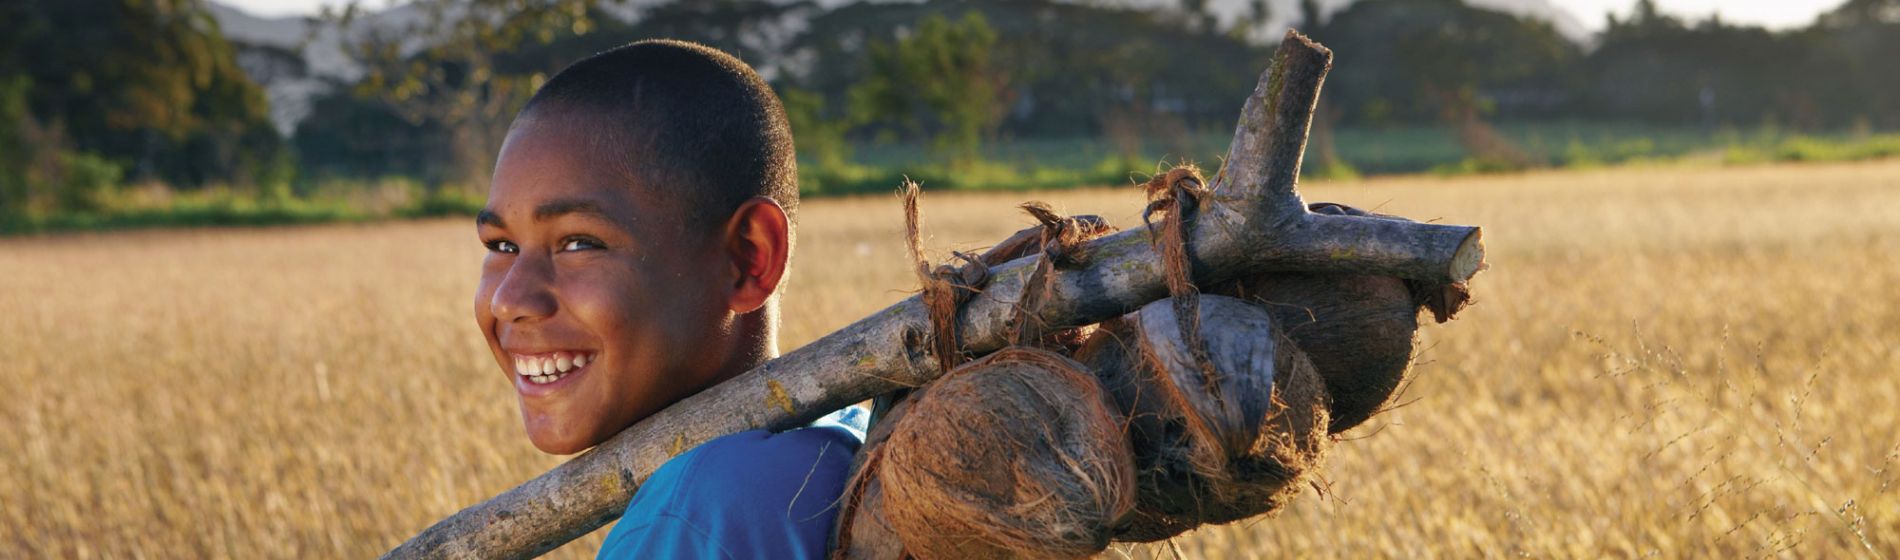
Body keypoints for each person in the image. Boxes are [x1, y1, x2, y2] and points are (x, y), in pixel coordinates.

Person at [472, 39, 864, 559]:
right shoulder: (837, 438)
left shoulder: (697, 516)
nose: (509, 299)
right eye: (502, 246)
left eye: (579, 242)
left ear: (749, 258)